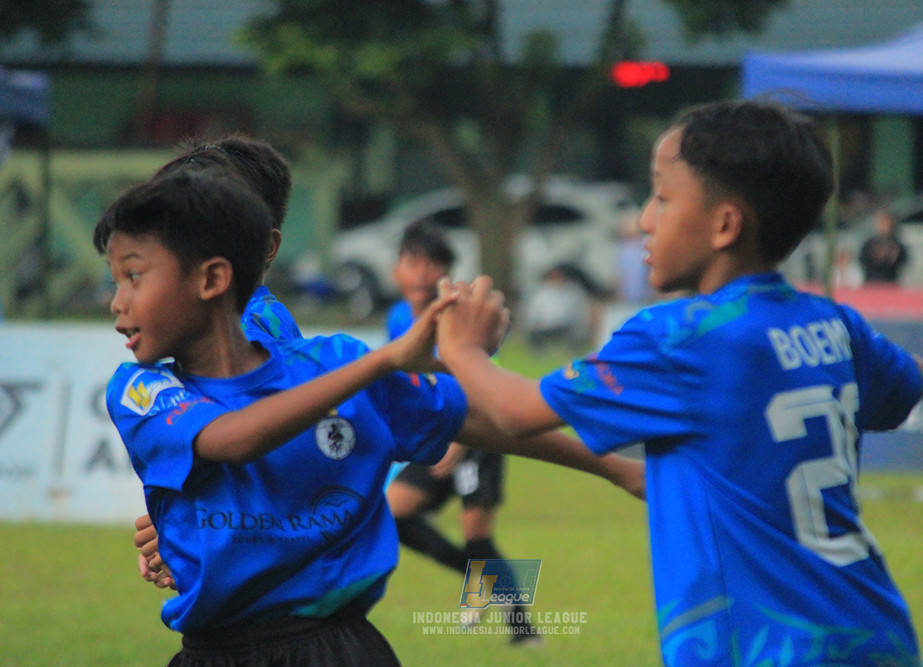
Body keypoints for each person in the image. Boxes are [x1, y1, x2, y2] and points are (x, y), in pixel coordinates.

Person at [433, 99, 923, 666]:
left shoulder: (680, 338)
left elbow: (517, 411)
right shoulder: (836, 324)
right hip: (877, 635)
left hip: (766, 652)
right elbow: (912, 384)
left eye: (662, 198)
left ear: (724, 224)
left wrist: (461, 347)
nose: (645, 219)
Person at [96, 165, 644, 665]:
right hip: (215, 653)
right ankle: (507, 604)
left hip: (341, 648)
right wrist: (388, 362)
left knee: (472, 532)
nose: (116, 301)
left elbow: (483, 419)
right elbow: (233, 441)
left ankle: (511, 610)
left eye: (134, 277)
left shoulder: (327, 361)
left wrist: (615, 467)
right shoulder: (143, 388)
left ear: (219, 273)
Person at [132, 135, 300, 590]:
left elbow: (265, 450)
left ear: (266, 245)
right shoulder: (218, 328)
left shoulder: (251, 327)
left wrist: (191, 525)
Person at [383, 221, 537, 642]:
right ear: (397, 269)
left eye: (433, 265)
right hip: (435, 433)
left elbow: (480, 378)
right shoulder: (398, 318)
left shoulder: (459, 317)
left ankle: (523, 629)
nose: (420, 274)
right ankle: (482, 586)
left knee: (478, 536)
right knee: (394, 514)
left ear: (447, 273)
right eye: (412, 262)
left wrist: (458, 440)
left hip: (477, 435)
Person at [859, 207, 909, 284]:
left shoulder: (896, 245)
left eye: (886, 222)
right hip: (871, 285)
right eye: (881, 222)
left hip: (890, 284)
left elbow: (903, 261)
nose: (884, 226)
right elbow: (863, 260)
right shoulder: (870, 244)